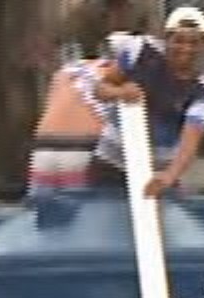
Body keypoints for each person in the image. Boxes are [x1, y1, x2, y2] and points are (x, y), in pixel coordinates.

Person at [95, 6, 204, 197]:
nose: (186, 48)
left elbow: (189, 144)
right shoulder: (140, 51)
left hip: (157, 174)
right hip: (111, 164)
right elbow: (100, 89)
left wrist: (169, 176)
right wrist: (120, 92)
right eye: (179, 41)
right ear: (166, 39)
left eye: (194, 43)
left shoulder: (201, 91)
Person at [26, 51, 143, 193]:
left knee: (47, 209)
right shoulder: (109, 70)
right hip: (81, 146)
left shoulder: (66, 71)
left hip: (43, 146)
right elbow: (104, 87)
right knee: (83, 210)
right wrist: (122, 92)